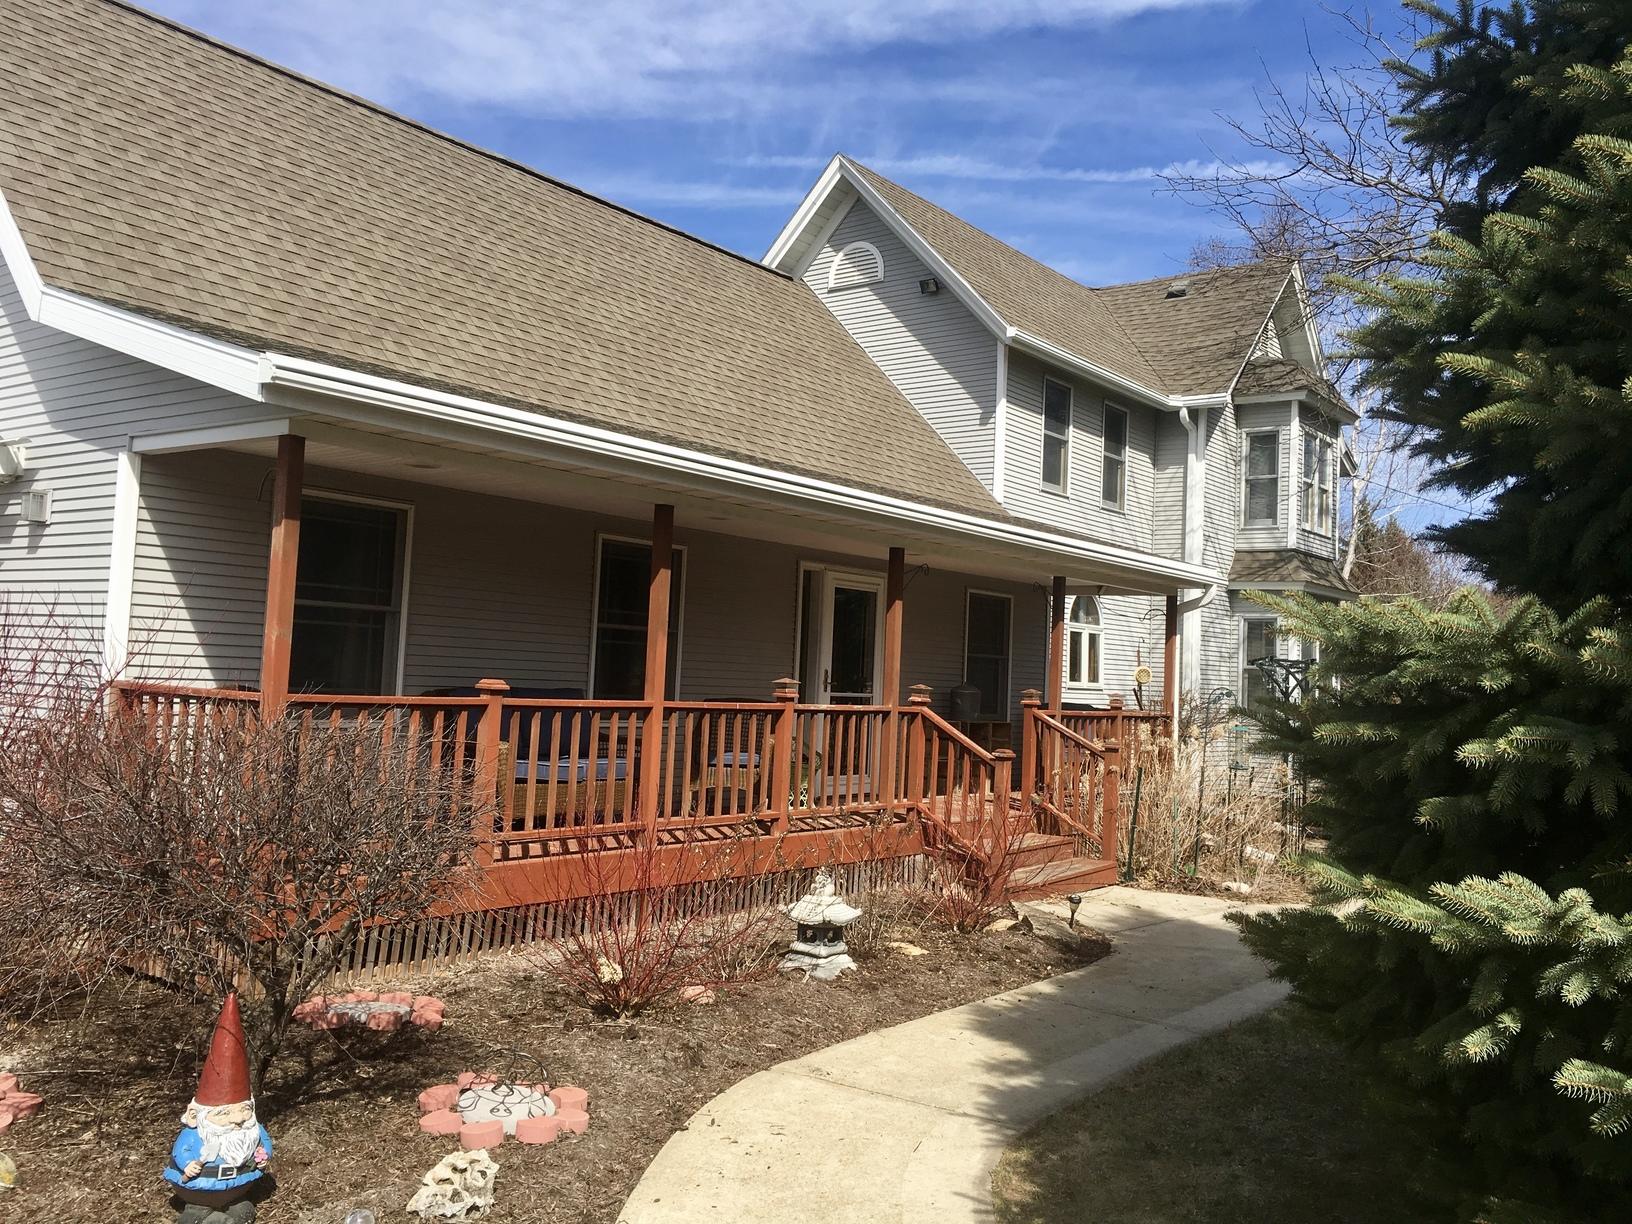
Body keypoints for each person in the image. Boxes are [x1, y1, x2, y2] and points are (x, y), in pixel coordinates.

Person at [164, 993, 273, 1222]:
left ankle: (232, 1207)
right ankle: (200, 1212)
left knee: (242, 1211)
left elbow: (263, 1141)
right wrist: (188, 1164)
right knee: (198, 1216)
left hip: (238, 1185)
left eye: (243, 1110)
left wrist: (264, 1156)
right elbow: (182, 1150)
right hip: (199, 1186)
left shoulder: (250, 1128)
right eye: (225, 1113)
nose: (237, 1119)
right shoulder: (195, 1133)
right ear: (196, 1115)